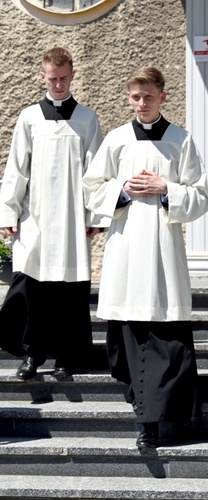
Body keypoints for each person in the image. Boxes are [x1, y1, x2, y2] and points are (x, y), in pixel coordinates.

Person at [82, 66, 208, 450]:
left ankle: (153, 421)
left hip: (162, 248)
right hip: (125, 245)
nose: (142, 104)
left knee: (164, 334)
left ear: (163, 97)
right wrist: (121, 190)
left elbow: (202, 195)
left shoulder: (181, 141)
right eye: (136, 98)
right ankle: (139, 400)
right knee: (125, 338)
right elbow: (92, 187)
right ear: (129, 98)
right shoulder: (117, 139)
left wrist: (166, 187)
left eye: (149, 97)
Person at [0, 47, 104, 381]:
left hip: (73, 220)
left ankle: (66, 357)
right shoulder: (29, 117)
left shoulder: (87, 119)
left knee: (69, 294)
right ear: (42, 76)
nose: (58, 84)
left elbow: (97, 172)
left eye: (63, 78)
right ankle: (32, 355)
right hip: (36, 218)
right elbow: (17, 169)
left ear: (72, 75)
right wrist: (8, 213)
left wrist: (94, 217)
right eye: (52, 78)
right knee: (32, 289)